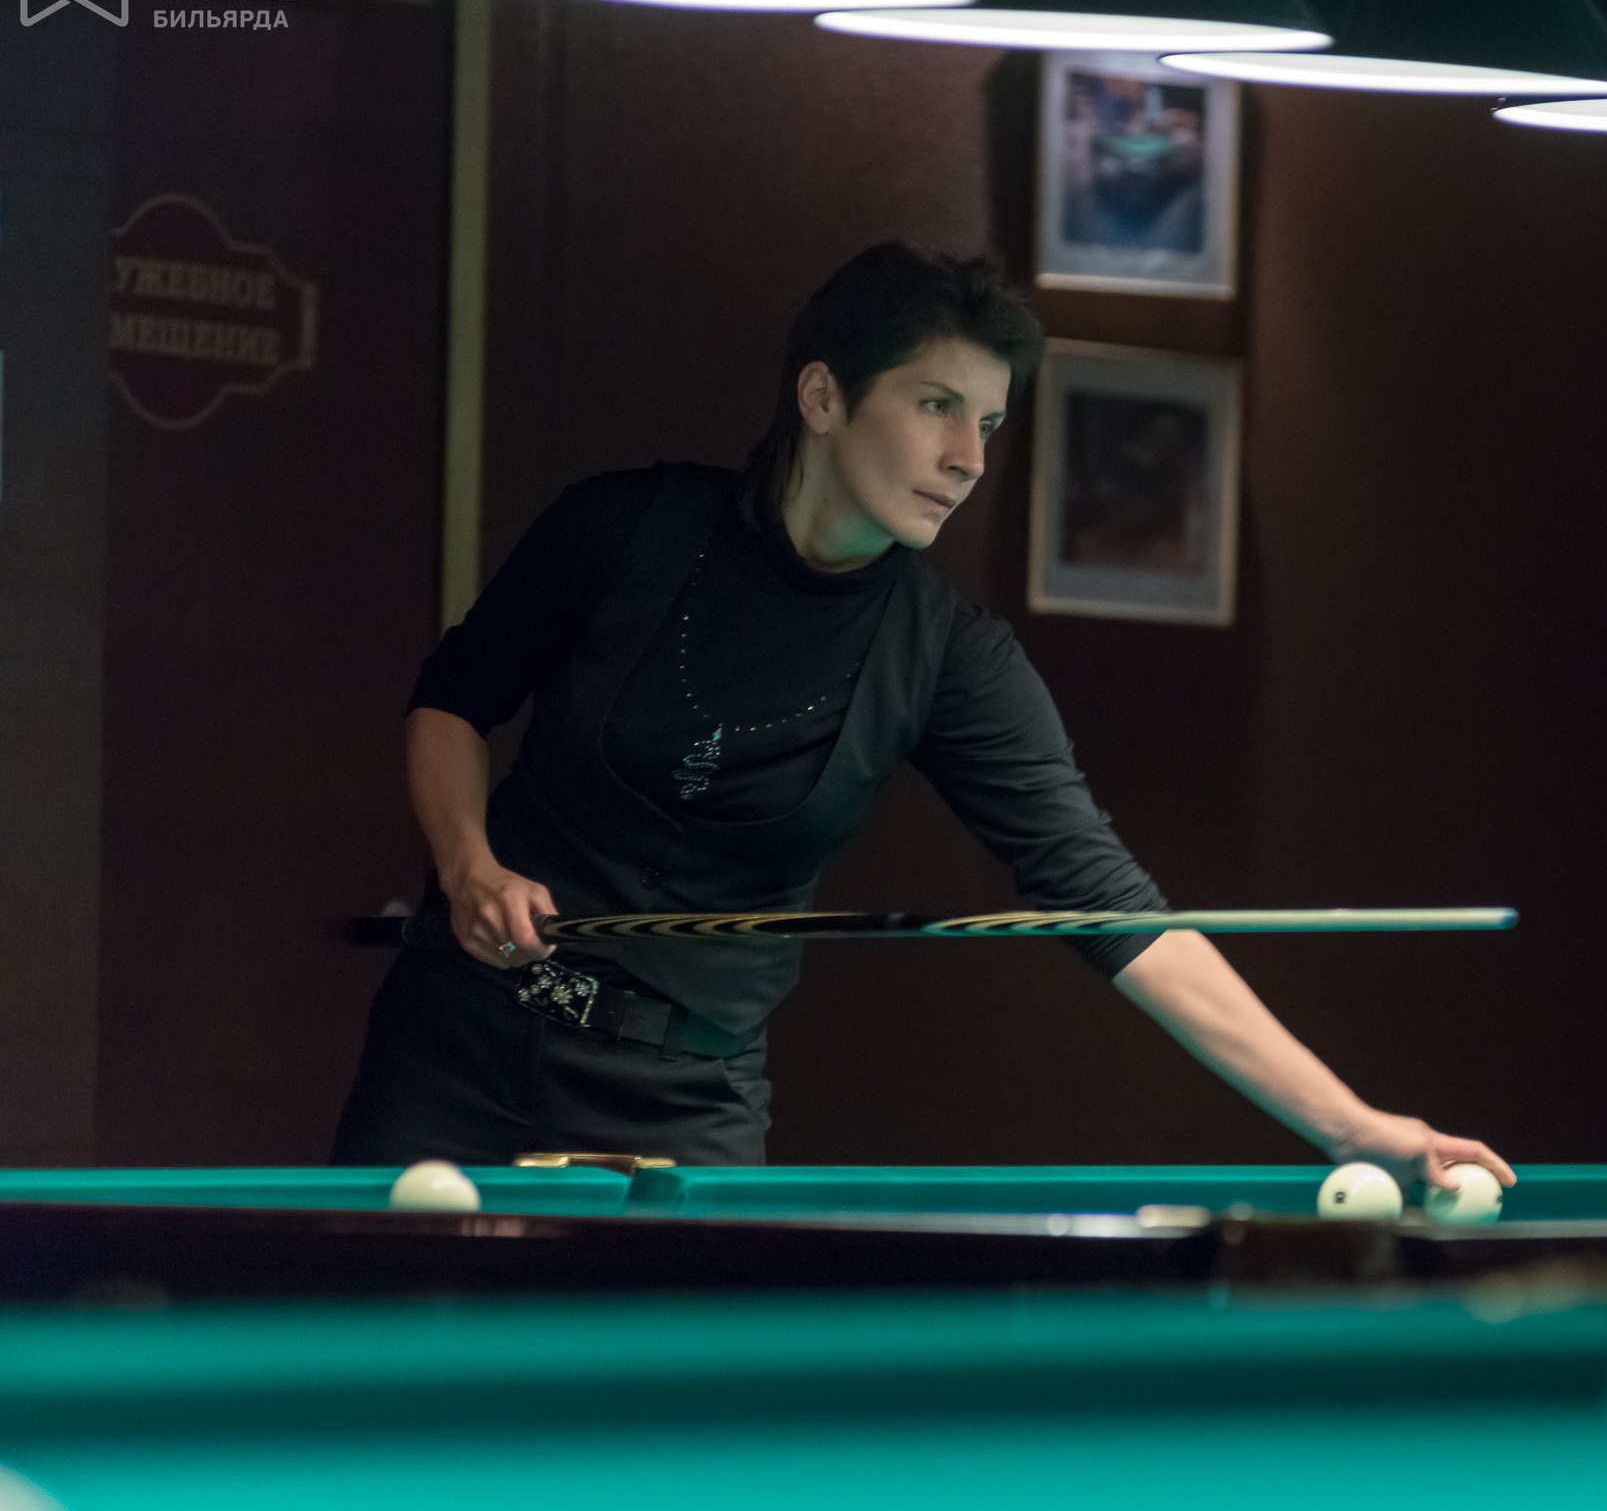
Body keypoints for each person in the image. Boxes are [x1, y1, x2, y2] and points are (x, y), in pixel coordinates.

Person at [332, 242, 1512, 1195]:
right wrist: (468, 863)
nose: (966, 457)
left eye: (987, 425)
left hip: (680, 1105)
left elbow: (1110, 906)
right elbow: (453, 701)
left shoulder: (950, 658)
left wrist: (1347, 1125)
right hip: (456, 1048)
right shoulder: (622, 529)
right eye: (937, 405)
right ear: (823, 396)